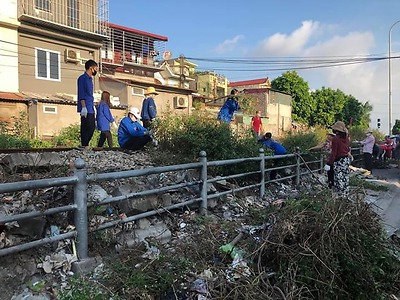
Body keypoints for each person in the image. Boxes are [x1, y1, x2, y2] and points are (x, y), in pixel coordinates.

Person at [77, 59, 98, 149]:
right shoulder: (82, 78)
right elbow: (82, 93)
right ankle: (84, 144)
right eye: (95, 68)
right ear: (91, 68)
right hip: (85, 106)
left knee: (92, 126)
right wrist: (83, 107)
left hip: (90, 106)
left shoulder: (90, 80)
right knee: (86, 126)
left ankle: (86, 144)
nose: (96, 70)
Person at [326, 121, 350, 197]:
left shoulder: (336, 139)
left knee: (338, 178)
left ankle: (340, 197)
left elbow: (334, 153)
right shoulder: (346, 138)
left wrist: (329, 163)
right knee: (345, 177)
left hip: (339, 161)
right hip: (346, 160)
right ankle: (346, 194)